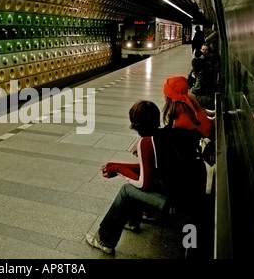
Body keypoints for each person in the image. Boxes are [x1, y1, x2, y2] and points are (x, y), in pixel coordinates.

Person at [86, 100, 208, 256]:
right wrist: (115, 165)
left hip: (178, 207)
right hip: (190, 198)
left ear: (134, 123)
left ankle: (105, 240)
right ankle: (131, 222)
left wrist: (118, 169)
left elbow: (145, 184)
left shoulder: (145, 142)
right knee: (135, 182)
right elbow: (149, 168)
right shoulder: (163, 134)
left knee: (127, 190)